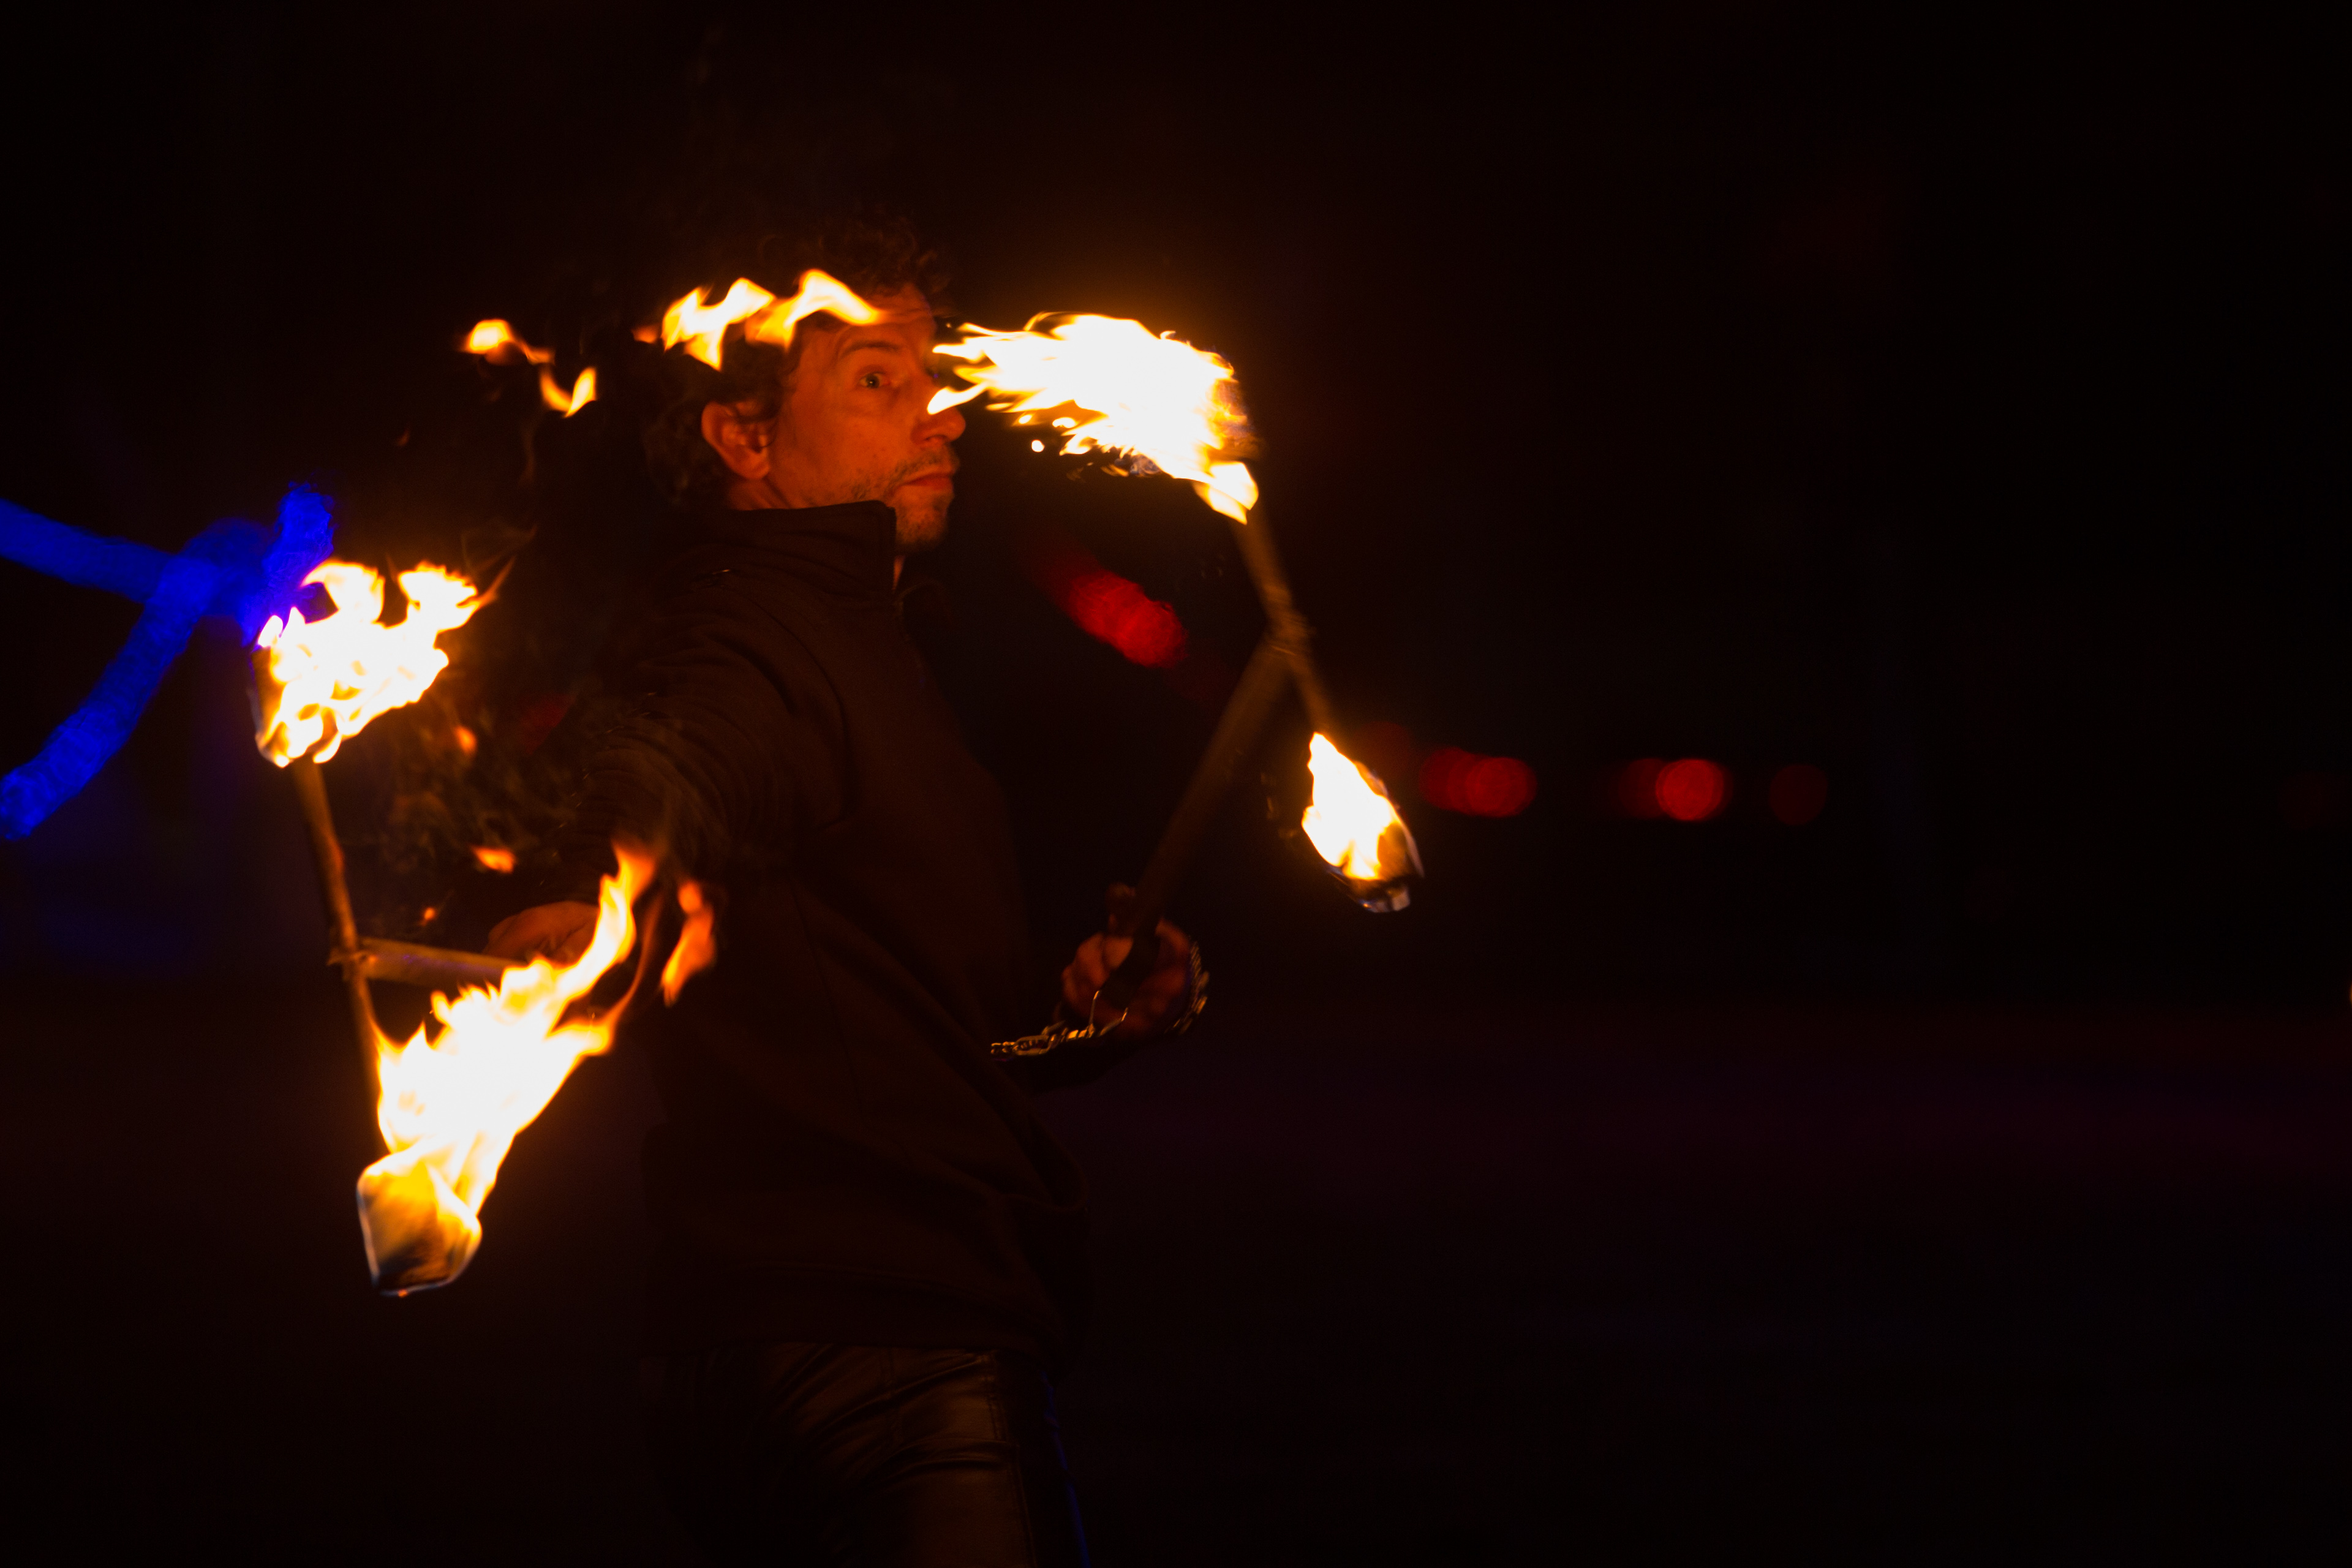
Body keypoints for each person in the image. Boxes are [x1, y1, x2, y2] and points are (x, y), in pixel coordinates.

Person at [486, 218, 1197, 1566]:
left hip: (795, 1334)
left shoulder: (861, 638)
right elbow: (688, 765)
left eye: (934, 375)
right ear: (745, 438)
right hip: (883, 1350)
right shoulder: (756, 637)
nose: (942, 414)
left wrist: (1075, 1019)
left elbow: (904, 1022)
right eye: (878, 379)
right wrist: (601, 893)